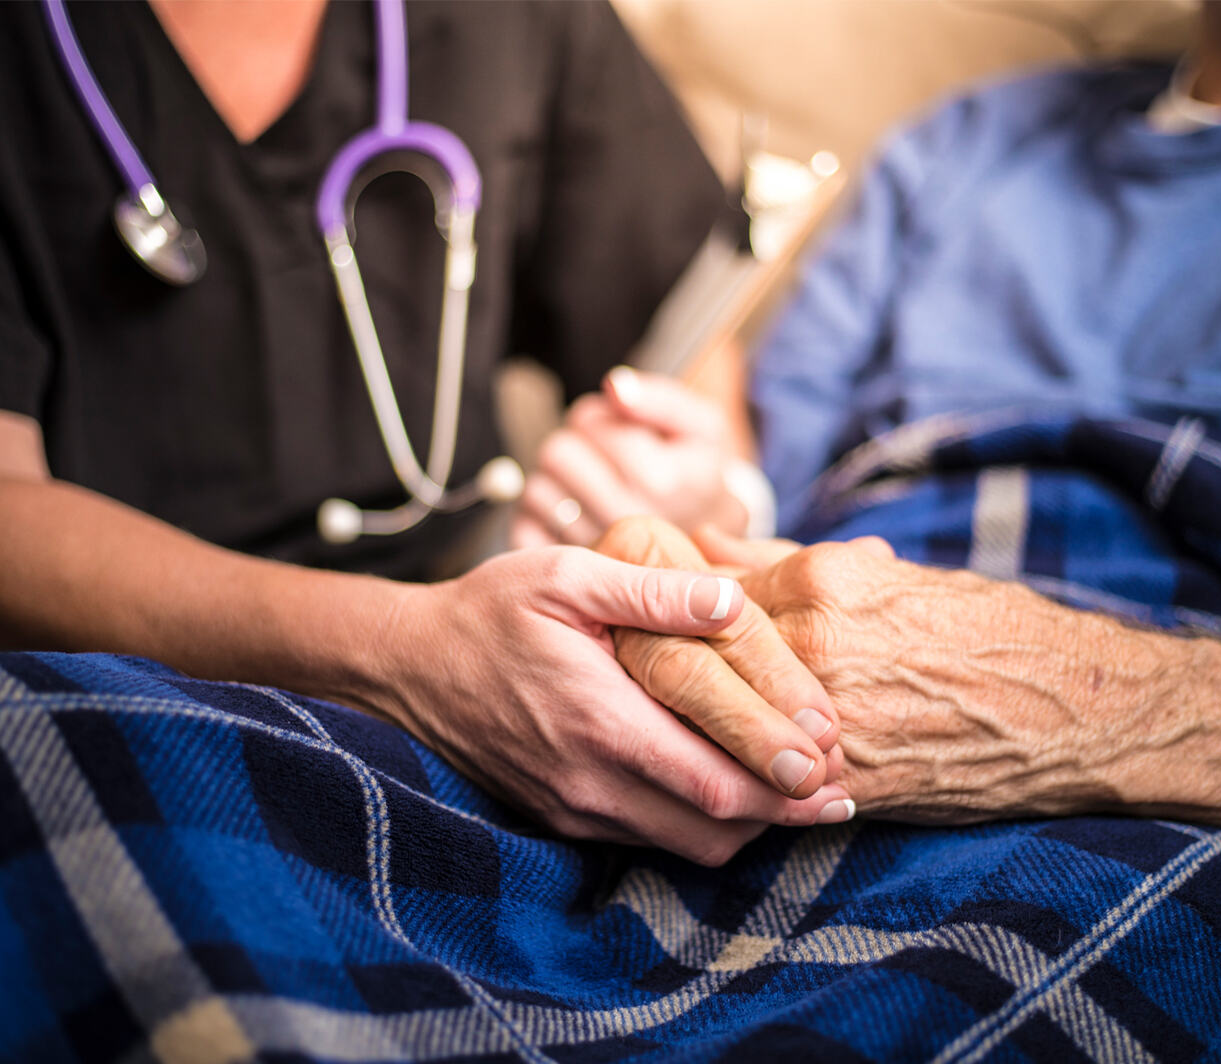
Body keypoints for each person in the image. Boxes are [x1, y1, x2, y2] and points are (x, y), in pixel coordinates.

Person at [0, 0, 858, 866]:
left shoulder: (521, 24)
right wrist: (404, 654)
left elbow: (686, 343)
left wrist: (708, 487)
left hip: (501, 662)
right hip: (122, 693)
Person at [519, 0, 1221, 826]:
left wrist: (1105, 706)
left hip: (1158, 724)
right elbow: (776, 475)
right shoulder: (966, 140)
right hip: (830, 622)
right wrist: (706, 504)